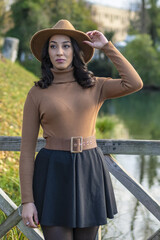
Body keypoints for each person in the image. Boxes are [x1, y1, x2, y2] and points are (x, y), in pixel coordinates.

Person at [19, 19, 143, 240]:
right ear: (47, 53)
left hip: (89, 170)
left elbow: (134, 83)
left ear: (75, 51)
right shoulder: (36, 93)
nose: (60, 52)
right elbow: (27, 151)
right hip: (52, 173)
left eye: (66, 45)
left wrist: (107, 47)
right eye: (53, 46)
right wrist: (27, 201)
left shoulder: (95, 85)